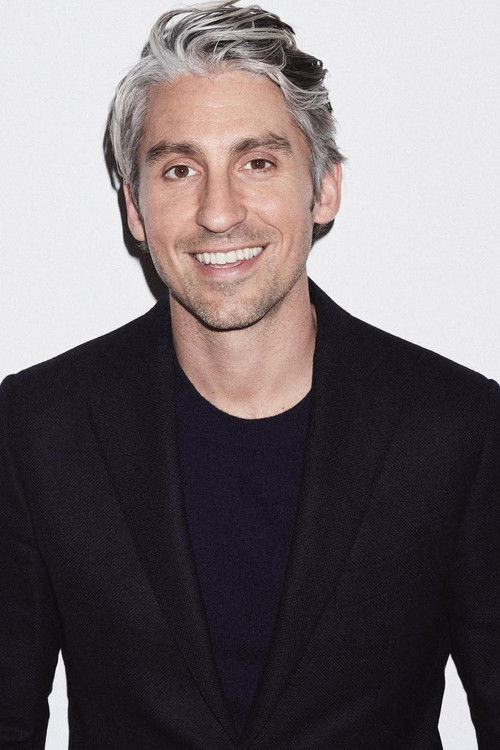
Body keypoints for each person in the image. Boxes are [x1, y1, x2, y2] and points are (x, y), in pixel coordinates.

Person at [1, 1, 499, 748]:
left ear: (324, 188)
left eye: (257, 162)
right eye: (179, 169)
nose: (217, 212)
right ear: (135, 208)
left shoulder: (457, 427)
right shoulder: (39, 428)